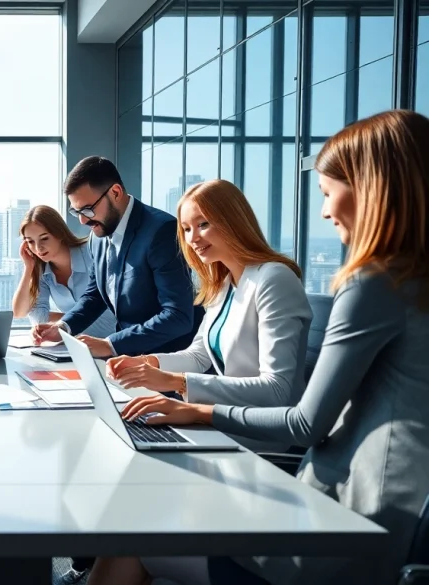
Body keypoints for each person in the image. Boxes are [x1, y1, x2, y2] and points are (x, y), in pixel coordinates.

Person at [93, 109, 429, 585]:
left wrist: (193, 406)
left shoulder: (371, 284)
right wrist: (156, 367)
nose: (325, 211)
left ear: (373, 189)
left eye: (329, 192)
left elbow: (302, 419)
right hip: (384, 515)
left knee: (137, 525)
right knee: (144, 506)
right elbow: (203, 355)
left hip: (350, 525)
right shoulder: (410, 284)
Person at [105, 179, 312, 453]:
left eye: (203, 225)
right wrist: (145, 363)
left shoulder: (274, 279)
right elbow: (199, 355)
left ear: (233, 221)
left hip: (261, 438)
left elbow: (277, 389)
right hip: (224, 423)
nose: (192, 239)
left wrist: (176, 383)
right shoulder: (224, 283)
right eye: (187, 229)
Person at [31, 156, 198, 359]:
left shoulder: (161, 231)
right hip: (128, 362)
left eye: (87, 209)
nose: (83, 220)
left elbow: (178, 316)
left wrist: (110, 344)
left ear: (116, 192)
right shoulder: (97, 237)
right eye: (76, 212)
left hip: (168, 364)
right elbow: (95, 295)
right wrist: (64, 326)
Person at [12, 205, 91, 325]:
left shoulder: (91, 253)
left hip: (113, 339)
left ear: (59, 233)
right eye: (30, 241)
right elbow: (20, 313)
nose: (38, 248)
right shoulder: (42, 270)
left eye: (44, 238)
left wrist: (71, 320)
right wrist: (28, 268)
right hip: (77, 341)